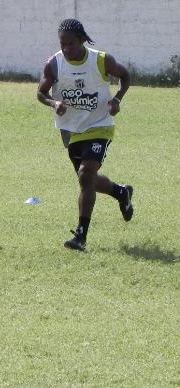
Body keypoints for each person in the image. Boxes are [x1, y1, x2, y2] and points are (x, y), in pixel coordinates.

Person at [37, 19, 134, 251]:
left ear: (82, 40)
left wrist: (117, 99)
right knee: (87, 180)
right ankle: (122, 192)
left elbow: (125, 76)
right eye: (63, 44)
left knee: (86, 173)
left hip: (100, 124)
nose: (66, 49)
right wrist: (54, 102)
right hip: (71, 128)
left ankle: (81, 236)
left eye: (71, 44)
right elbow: (40, 93)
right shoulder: (54, 64)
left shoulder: (101, 60)